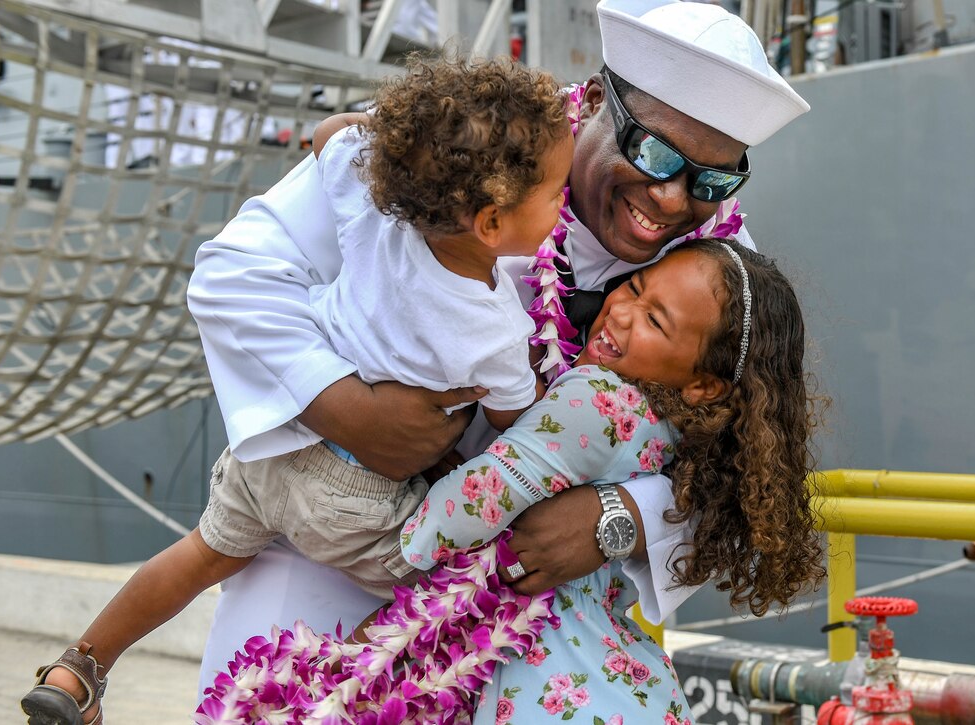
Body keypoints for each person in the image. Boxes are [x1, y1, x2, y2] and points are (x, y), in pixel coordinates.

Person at [186, 0, 812, 703]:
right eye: (656, 152)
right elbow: (235, 276)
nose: (670, 199)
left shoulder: (723, 273)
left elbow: (752, 460)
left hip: (517, 633)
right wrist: (346, 409)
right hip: (320, 557)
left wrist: (618, 519)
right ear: (598, 102)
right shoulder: (472, 149)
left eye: (709, 180)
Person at [21, 56, 572, 725]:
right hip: (356, 498)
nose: (562, 203)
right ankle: (314, 701)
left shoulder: (374, 215)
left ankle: (80, 665)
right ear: (490, 223)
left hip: (275, 444)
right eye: (555, 193)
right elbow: (518, 419)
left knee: (199, 553)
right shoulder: (495, 328)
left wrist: (402, 148)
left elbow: (331, 135)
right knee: (448, 589)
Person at [196, 239, 825, 723]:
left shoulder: (597, 395)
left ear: (706, 383)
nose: (623, 312)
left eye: (656, 321)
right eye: (632, 288)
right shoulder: (681, 428)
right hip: (612, 678)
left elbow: (468, 508)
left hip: (541, 681)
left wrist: (411, 529)